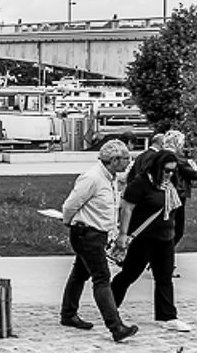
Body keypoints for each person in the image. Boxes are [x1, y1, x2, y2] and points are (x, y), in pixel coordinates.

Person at [58, 140, 140, 342]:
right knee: (102, 278)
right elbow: (70, 205)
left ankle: (68, 314)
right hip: (86, 233)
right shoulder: (92, 178)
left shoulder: (111, 178)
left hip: (98, 234)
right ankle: (116, 326)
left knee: (79, 273)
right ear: (113, 160)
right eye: (126, 159)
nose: (129, 163)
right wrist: (69, 222)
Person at [111, 149, 188, 332]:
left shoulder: (170, 186)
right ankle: (109, 304)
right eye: (166, 170)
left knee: (164, 277)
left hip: (165, 238)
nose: (169, 174)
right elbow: (127, 209)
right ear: (157, 167)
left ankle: (167, 316)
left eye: (172, 171)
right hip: (143, 238)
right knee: (130, 274)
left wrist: (174, 233)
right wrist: (123, 234)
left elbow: (173, 211)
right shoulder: (141, 183)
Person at [163, 131, 197, 273]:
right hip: (177, 195)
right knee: (177, 230)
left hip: (164, 194)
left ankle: (162, 258)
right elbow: (192, 174)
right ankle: (164, 259)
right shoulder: (176, 157)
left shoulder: (161, 155)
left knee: (167, 227)